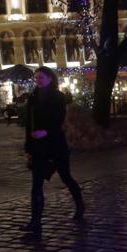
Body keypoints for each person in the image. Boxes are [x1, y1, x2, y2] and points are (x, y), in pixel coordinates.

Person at [24, 67, 84, 232]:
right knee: (36, 184)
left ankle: (80, 204)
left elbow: (59, 118)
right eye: (36, 77)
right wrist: (28, 146)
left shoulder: (58, 96)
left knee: (66, 177)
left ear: (50, 78)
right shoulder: (33, 97)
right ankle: (35, 221)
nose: (38, 80)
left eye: (41, 77)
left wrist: (47, 131)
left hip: (55, 144)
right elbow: (29, 123)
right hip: (38, 146)